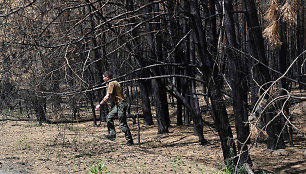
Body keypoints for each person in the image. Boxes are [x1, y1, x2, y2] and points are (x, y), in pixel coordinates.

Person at [95, 71, 134, 146]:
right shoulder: (114, 82)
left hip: (121, 104)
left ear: (107, 77)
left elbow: (107, 96)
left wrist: (100, 104)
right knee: (109, 117)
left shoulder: (111, 83)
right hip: (118, 104)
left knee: (122, 124)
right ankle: (112, 135)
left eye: (104, 77)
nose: (103, 78)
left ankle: (130, 141)